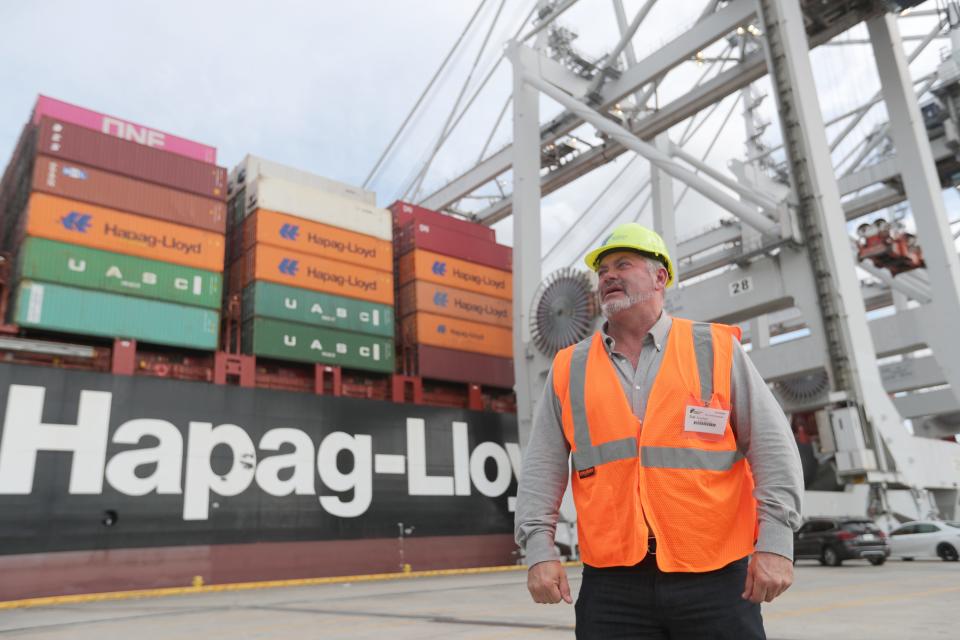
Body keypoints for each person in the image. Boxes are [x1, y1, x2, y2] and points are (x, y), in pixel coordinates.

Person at [515, 223, 803, 639]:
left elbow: (773, 447)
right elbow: (543, 467)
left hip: (716, 576)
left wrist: (776, 542)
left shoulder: (716, 349)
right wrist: (538, 550)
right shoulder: (569, 367)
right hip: (612, 585)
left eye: (623, 264)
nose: (608, 275)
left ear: (660, 277)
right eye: (602, 271)